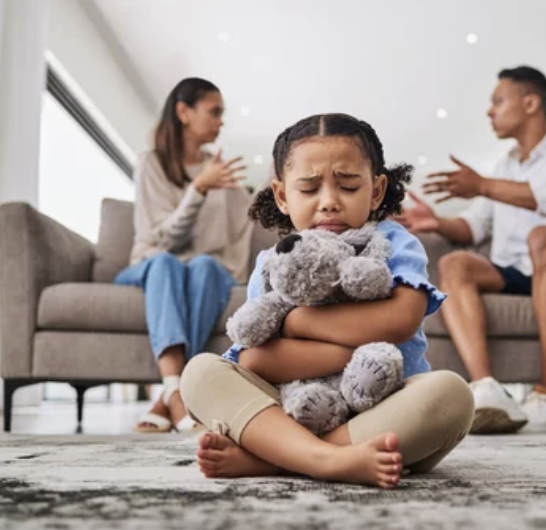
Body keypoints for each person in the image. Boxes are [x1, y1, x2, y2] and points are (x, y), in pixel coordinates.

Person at [180, 113, 474, 488]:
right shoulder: (274, 264)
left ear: (377, 191)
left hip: (383, 408)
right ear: (283, 195)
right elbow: (255, 361)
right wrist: (353, 343)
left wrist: (295, 323)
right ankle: (328, 459)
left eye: (349, 187)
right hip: (292, 405)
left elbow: (401, 320)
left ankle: (278, 458)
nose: (329, 203)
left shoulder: (393, 242)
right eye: (309, 189)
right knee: (200, 373)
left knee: (452, 395)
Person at [399, 66, 546, 434]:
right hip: (522, 271)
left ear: (531, 102)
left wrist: (484, 185)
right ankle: (488, 389)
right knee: (455, 263)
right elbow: (474, 226)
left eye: (498, 101)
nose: (490, 111)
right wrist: (437, 222)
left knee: (543, 238)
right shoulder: (504, 165)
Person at [114, 77, 253, 433]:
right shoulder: (152, 164)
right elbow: (160, 240)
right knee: (166, 262)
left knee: (206, 265)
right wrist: (199, 189)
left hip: (199, 270)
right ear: (183, 112)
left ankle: (171, 393)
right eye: (214, 111)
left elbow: (238, 230)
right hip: (150, 264)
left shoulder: (219, 170)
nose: (221, 121)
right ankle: (182, 396)